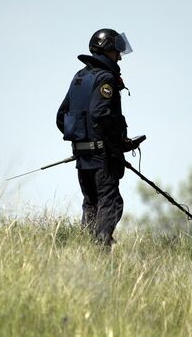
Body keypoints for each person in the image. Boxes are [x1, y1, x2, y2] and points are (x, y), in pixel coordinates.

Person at [56, 28, 137, 247]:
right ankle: (101, 251)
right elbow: (101, 115)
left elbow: (61, 117)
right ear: (107, 50)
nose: (119, 57)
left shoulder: (80, 77)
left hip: (83, 156)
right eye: (116, 52)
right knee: (110, 202)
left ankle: (86, 248)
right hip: (102, 156)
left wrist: (81, 142)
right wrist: (117, 143)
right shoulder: (106, 79)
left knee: (91, 203)